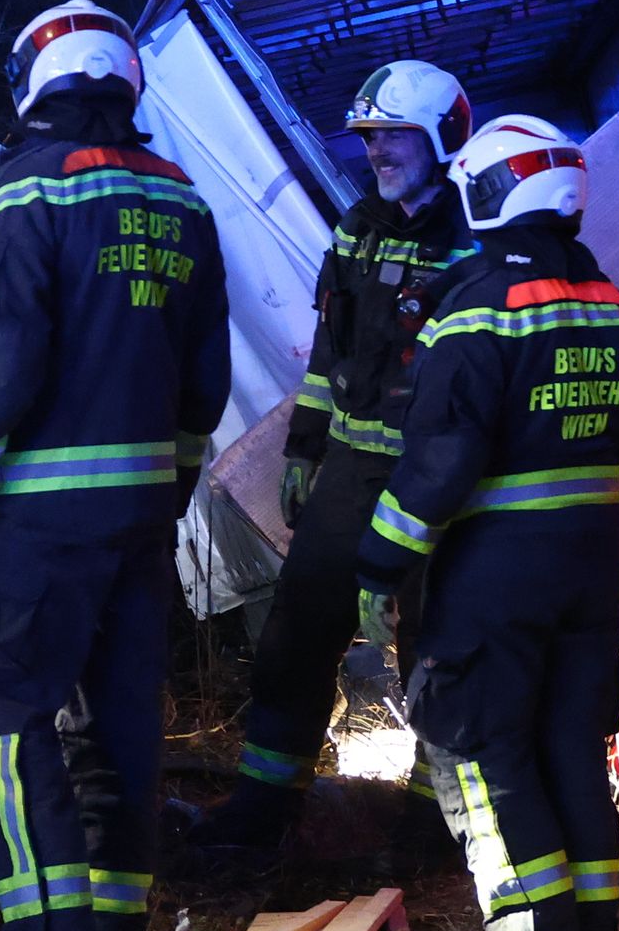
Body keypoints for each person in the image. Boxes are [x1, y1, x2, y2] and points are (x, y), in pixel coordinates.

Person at [0, 1, 229, 931]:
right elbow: (205, 383)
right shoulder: (180, 198)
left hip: (35, 527)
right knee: (121, 737)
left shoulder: (23, 193)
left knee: (4, 733)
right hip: (139, 529)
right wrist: (167, 491)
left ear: (34, 80)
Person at [358, 113, 619, 931]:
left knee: (484, 744)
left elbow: (438, 461)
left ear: (497, 192)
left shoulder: (478, 310)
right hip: (592, 571)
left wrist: (380, 566)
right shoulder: (617, 306)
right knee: (570, 742)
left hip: (495, 574)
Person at [189, 61, 477, 859]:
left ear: (440, 138)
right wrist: (304, 446)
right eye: (370, 138)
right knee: (295, 637)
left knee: (437, 653)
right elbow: (329, 354)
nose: (377, 151)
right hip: (349, 471)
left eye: (393, 136)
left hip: (440, 486)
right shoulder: (358, 227)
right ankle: (264, 809)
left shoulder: (474, 240)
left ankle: (433, 829)